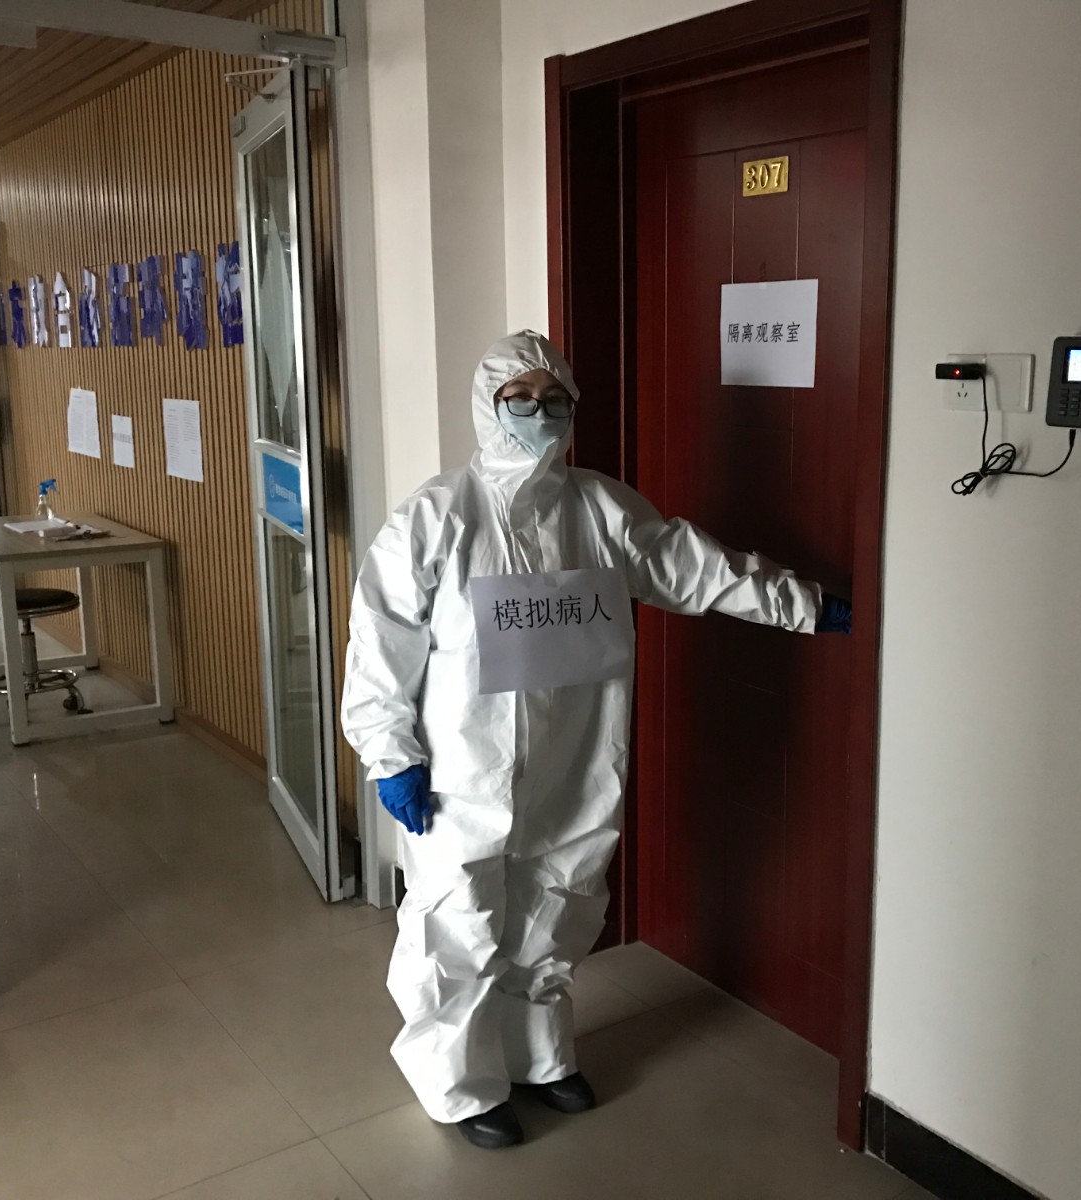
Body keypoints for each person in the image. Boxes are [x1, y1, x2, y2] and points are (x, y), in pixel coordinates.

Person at [341, 331, 852, 1150]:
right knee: (457, 919)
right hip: (462, 767)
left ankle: (540, 1057)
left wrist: (804, 604)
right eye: (520, 399)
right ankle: (459, 1085)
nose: (539, 414)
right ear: (488, 405)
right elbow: (380, 639)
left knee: (559, 900)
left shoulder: (598, 507)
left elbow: (691, 566)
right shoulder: (437, 515)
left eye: (555, 400)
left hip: (576, 755)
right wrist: (391, 753)